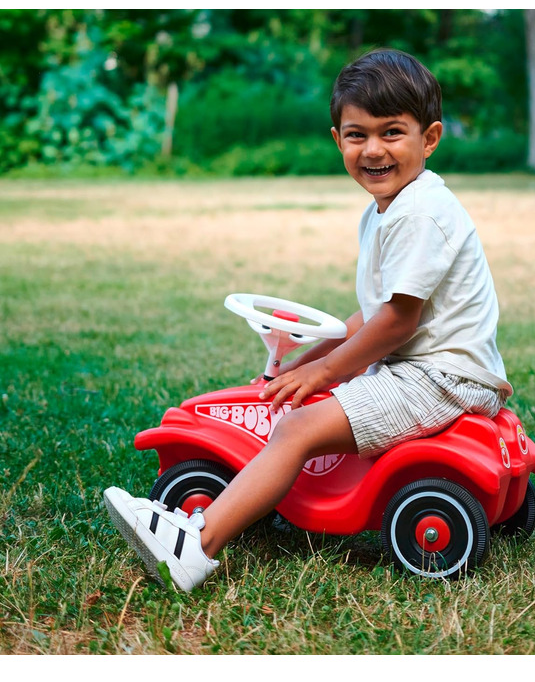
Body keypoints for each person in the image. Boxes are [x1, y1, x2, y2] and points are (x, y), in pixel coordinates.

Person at [103, 48, 513, 592]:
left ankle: (194, 546)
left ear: (429, 138)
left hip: (437, 379)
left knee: (295, 429)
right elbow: (370, 314)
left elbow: (397, 323)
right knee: (306, 400)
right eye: (356, 134)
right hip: (434, 370)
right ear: (337, 139)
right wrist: (305, 359)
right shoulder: (390, 207)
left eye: (392, 133)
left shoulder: (419, 214)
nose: (373, 150)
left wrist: (323, 375)